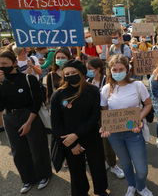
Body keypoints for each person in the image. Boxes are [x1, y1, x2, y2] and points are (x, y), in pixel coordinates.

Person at [50, 59, 108, 196]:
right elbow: (56, 122)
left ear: (81, 73)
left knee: (97, 166)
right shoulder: (58, 95)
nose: (70, 75)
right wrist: (72, 143)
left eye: (73, 72)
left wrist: (77, 134)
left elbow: (95, 116)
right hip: (69, 140)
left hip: (91, 135)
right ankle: (81, 192)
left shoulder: (92, 90)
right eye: (67, 73)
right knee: (76, 170)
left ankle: (101, 189)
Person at [100, 54, 153, 196]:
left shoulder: (137, 85)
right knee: (125, 163)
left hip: (134, 132)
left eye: (120, 69)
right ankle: (131, 186)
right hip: (115, 135)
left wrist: (139, 119)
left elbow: (148, 104)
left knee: (141, 168)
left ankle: (141, 187)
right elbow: (104, 113)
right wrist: (104, 127)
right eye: (114, 70)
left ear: (127, 69)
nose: (118, 73)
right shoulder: (106, 89)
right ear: (110, 70)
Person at [0, 50, 52, 193]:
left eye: (4, 63)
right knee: (18, 150)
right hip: (10, 118)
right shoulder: (1, 83)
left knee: (37, 148)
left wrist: (29, 122)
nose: (1, 67)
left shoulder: (28, 79)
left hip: (30, 116)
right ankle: (27, 179)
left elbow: (37, 102)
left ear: (15, 63)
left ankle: (44, 175)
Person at [86, 57, 125, 179]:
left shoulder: (106, 81)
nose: (87, 71)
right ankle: (103, 162)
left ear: (98, 69)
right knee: (96, 142)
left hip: (105, 115)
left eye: (89, 69)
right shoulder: (87, 80)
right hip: (91, 117)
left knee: (108, 142)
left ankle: (113, 165)